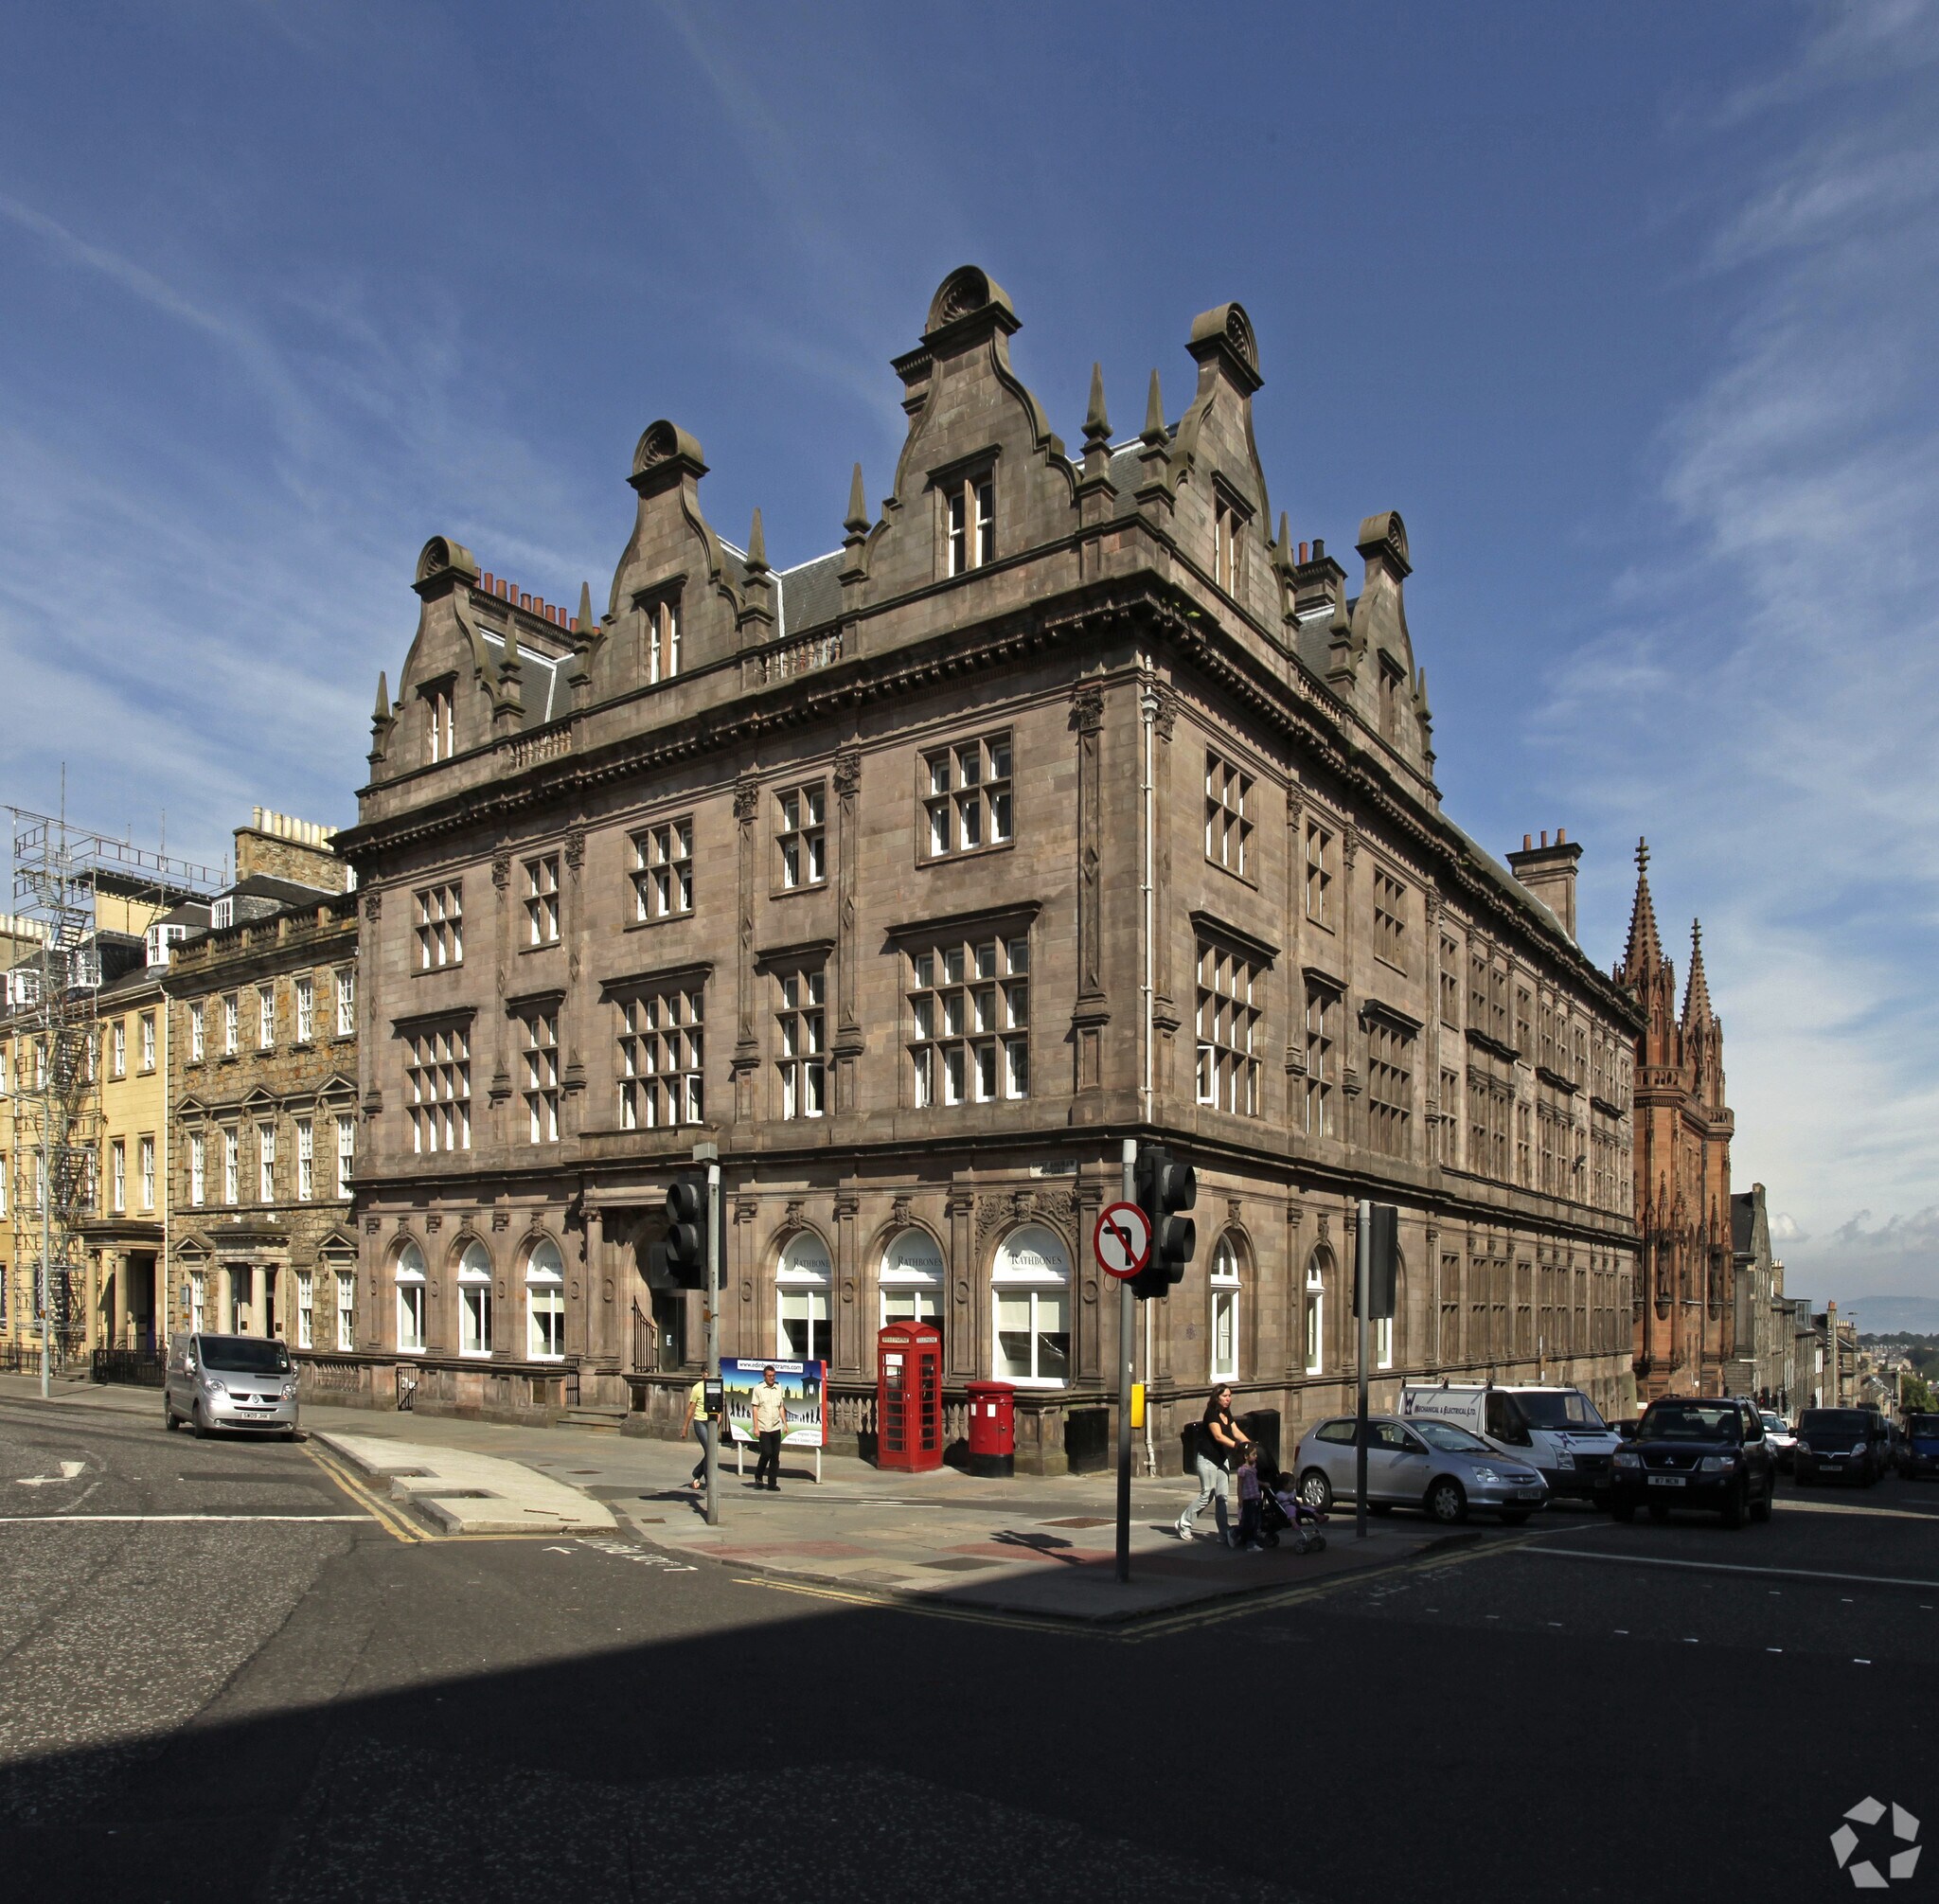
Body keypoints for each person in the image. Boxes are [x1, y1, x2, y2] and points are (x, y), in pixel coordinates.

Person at [1176, 1383, 1253, 1544]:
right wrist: (1237, 1446)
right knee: (1207, 1494)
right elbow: (1218, 1436)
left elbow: (1236, 1431)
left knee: (1222, 1497)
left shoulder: (1227, 1413)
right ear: (1216, 1397)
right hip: (1207, 1459)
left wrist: (1250, 1444)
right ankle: (1184, 1523)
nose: (1228, 1399)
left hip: (1221, 1459)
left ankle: (1224, 1533)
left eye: (1229, 1396)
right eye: (1225, 1396)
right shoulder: (1211, 1414)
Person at [749, 1365, 787, 1491]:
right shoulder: (758, 1389)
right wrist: (756, 1427)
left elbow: (780, 1407)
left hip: (775, 1426)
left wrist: (785, 1424)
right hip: (763, 1426)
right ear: (764, 1376)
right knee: (766, 1452)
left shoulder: (778, 1388)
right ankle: (758, 1475)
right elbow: (755, 1409)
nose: (772, 1378)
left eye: (773, 1376)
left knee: (775, 1456)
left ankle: (772, 1483)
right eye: (769, 1376)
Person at [678, 1376, 709, 1491]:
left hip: (712, 1422)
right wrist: (685, 1427)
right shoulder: (697, 1387)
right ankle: (709, 1480)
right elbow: (691, 1408)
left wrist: (719, 1415)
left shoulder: (716, 1385)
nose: (708, 1375)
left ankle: (697, 1473)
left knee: (711, 1452)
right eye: (706, 1372)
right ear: (702, 1374)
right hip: (700, 1421)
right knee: (710, 1450)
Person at [1235, 1443, 1265, 1553]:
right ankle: (1249, 1543)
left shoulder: (1253, 1469)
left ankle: (1252, 1539)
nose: (1256, 1456)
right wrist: (1240, 1499)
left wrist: (1263, 1484)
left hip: (1256, 1497)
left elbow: (1254, 1481)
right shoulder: (1243, 1470)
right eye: (1254, 1454)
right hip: (1248, 1499)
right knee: (1250, 1522)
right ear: (1246, 1456)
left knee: (1256, 1521)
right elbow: (1239, 1485)